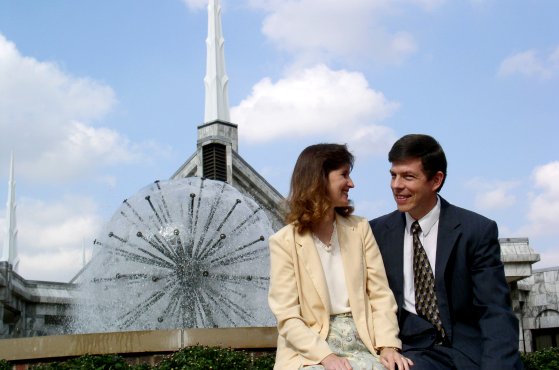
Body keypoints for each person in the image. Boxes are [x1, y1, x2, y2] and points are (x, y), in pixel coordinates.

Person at [369, 134, 523, 370]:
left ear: (436, 180)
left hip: (469, 353)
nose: (396, 185)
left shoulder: (476, 231)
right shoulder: (375, 233)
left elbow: (494, 311)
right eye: (393, 175)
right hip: (410, 353)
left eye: (408, 176)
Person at [268, 143, 413, 370]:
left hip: (364, 340)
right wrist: (326, 357)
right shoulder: (283, 242)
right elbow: (287, 316)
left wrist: (388, 346)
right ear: (319, 180)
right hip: (309, 349)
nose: (351, 183)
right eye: (344, 175)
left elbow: (380, 295)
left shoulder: (360, 229)